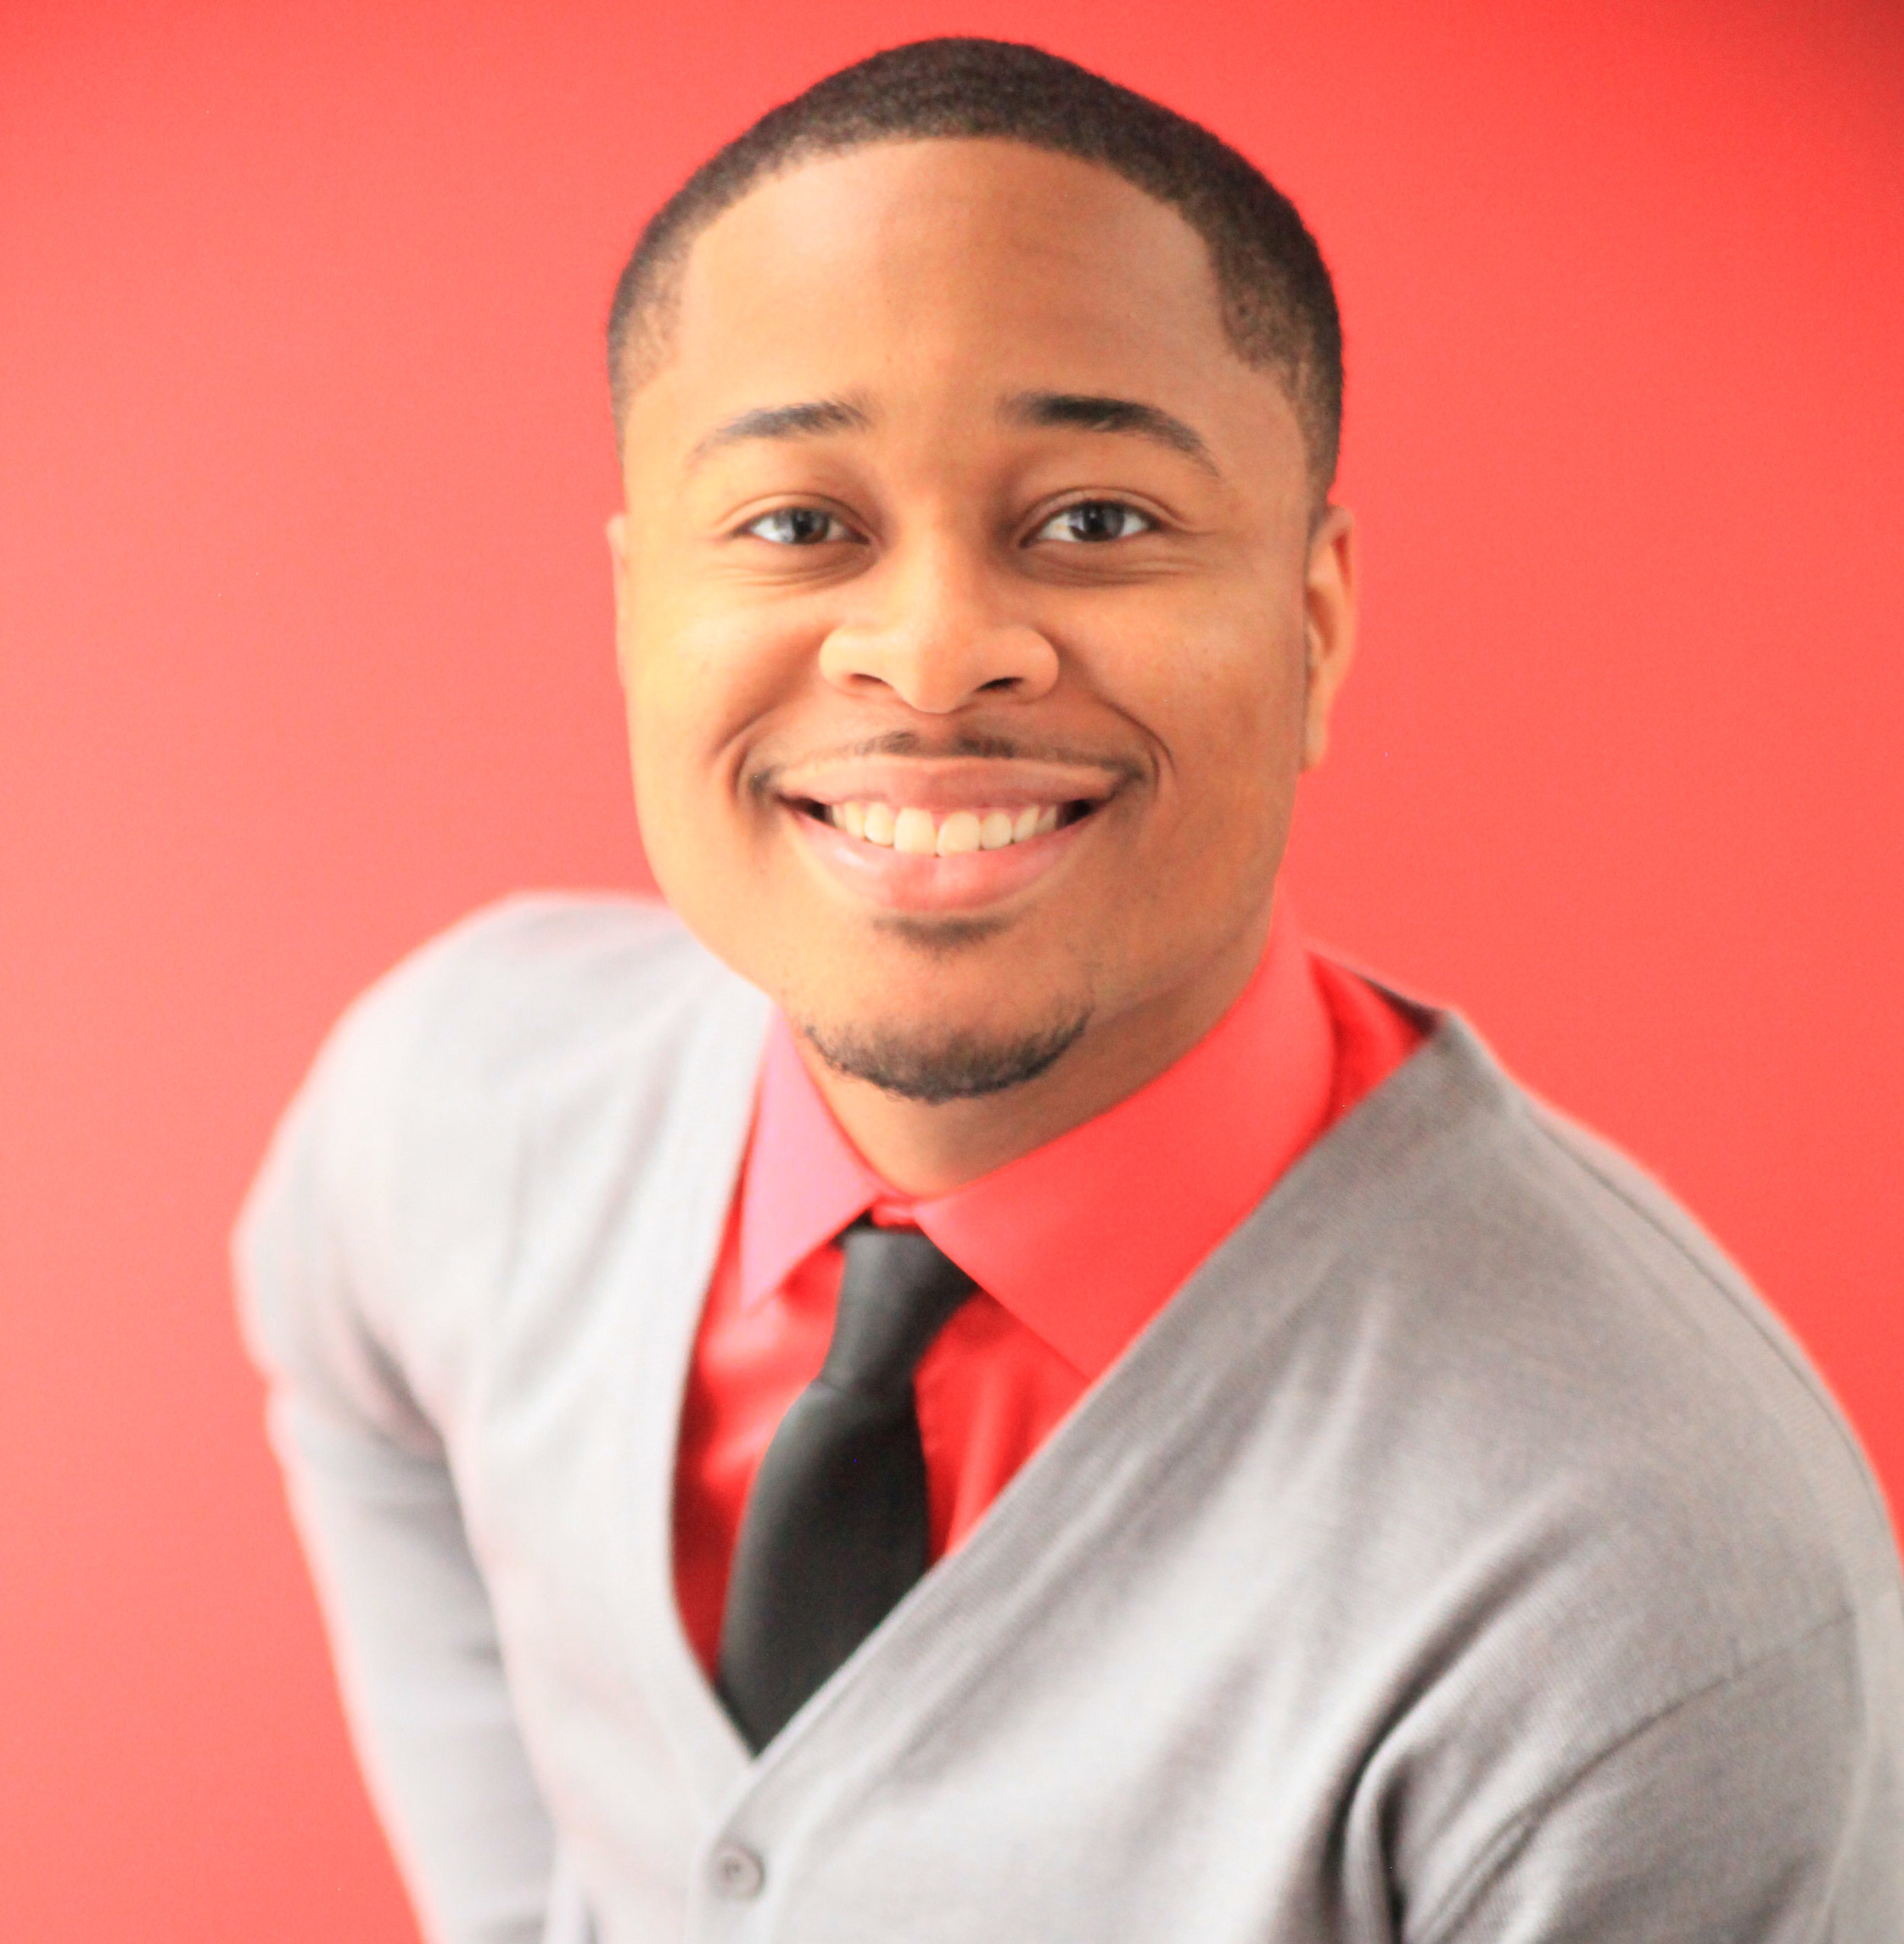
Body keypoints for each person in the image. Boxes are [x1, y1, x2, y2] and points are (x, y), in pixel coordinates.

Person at [235, 37, 1904, 1944]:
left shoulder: (1644, 1590)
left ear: (1311, 618)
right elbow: (344, 1383)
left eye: (1096, 519)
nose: (934, 657)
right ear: (633, 611)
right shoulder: (459, 1096)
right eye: (798, 523)